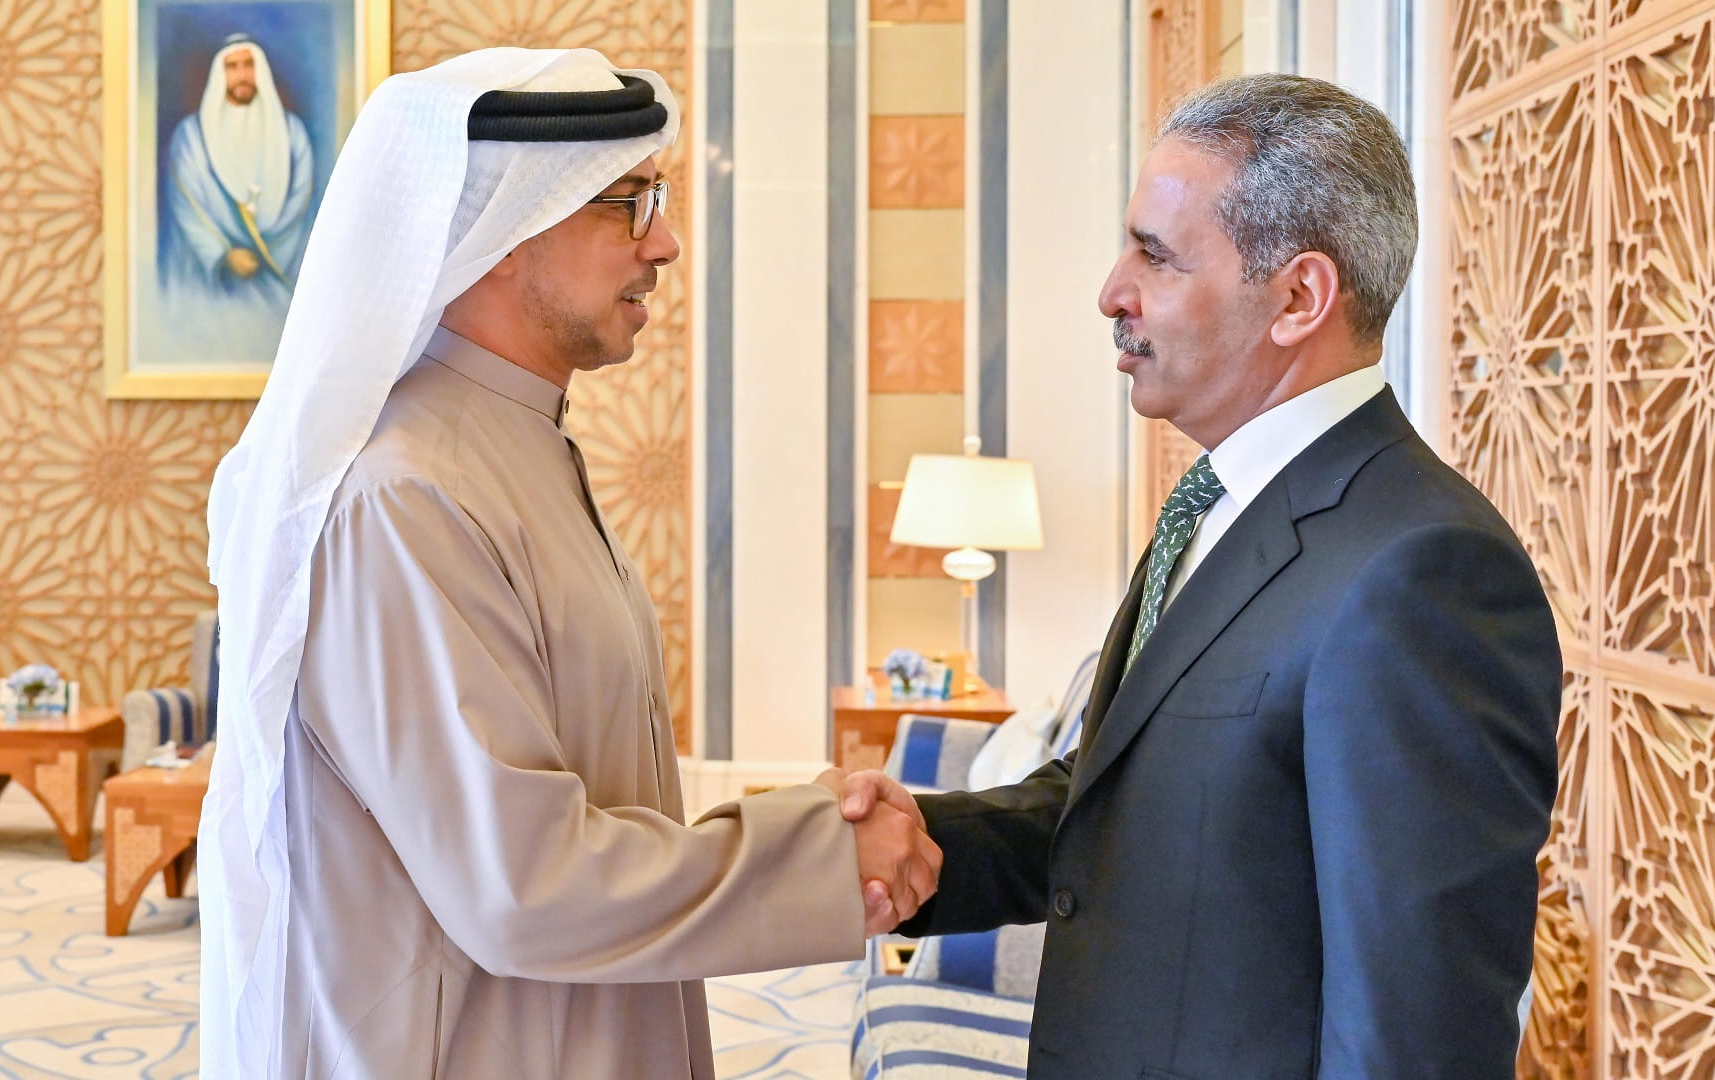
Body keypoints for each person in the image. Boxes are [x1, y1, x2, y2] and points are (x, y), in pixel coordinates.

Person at [201, 48, 938, 1079]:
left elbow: (583, 798)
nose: (665, 243)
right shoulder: (403, 496)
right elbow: (521, 884)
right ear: (508, 231)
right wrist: (813, 853)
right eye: (629, 204)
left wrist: (796, 822)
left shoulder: (511, 444)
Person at [835, 73, 1561, 1078]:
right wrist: (915, 840)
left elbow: (1415, 1030)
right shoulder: (1218, 503)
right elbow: (1118, 809)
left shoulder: (1423, 572)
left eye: (1157, 255)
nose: (1112, 292)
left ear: (1299, 298)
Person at [161, 34, 314, 318]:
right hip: (216, 283)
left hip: (279, 271)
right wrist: (222, 256)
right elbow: (186, 208)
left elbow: (302, 200)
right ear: (219, 73)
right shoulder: (191, 136)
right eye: (232, 67)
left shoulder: (292, 132)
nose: (242, 75)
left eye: (249, 65)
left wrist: (270, 251)